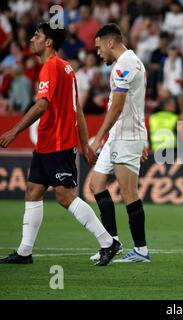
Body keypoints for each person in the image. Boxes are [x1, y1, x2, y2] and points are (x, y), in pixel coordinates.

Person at [0, 22, 120, 266]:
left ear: (48, 42)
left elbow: (42, 105)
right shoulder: (67, 69)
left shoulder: (51, 68)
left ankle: (108, 242)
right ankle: (24, 252)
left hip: (58, 143)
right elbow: (77, 111)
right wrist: (85, 145)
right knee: (33, 192)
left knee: (65, 196)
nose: (32, 39)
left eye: (36, 36)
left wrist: (14, 130)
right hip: (48, 143)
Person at [89, 23, 150, 263]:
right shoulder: (127, 62)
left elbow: (117, 107)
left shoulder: (124, 65)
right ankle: (111, 242)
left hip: (125, 135)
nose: (98, 52)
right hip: (121, 134)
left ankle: (141, 250)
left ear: (110, 42)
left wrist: (98, 137)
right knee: (96, 183)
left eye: (99, 47)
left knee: (128, 192)